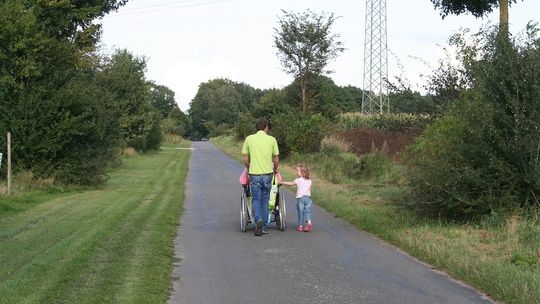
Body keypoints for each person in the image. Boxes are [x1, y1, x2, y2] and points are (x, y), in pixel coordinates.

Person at [241, 118, 279, 236]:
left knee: (256, 198)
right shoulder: (272, 140)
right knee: (265, 199)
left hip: (254, 174)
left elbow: (246, 159)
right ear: (266, 127)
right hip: (268, 174)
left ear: (256, 127)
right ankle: (264, 226)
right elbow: (276, 159)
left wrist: (248, 168)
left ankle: (258, 220)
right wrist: (274, 169)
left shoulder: (249, 139)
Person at [280, 164, 313, 232]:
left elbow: (291, 183)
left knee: (300, 212)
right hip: (308, 198)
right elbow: (310, 190)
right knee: (308, 211)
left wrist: (282, 182)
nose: (296, 172)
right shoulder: (309, 181)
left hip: (300, 198)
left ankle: (300, 226)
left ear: (303, 173)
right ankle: (309, 223)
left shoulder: (298, 180)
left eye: (298, 171)